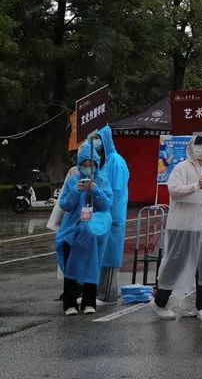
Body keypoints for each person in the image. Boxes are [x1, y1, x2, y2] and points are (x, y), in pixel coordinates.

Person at [154, 135, 202, 321]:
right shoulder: (181, 169)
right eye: (198, 145)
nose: (201, 150)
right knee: (175, 262)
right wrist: (195, 186)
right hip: (182, 226)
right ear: (191, 147)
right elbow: (174, 191)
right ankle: (160, 302)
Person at [55, 140, 114, 315]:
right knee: (70, 265)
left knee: (91, 264)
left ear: (96, 164)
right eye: (84, 164)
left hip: (92, 231)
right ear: (79, 164)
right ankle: (70, 303)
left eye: (91, 164)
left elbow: (107, 205)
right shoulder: (73, 181)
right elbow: (64, 205)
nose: (88, 167)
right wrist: (76, 190)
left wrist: (95, 191)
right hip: (71, 231)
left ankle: (89, 302)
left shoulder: (102, 181)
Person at [94, 125, 128, 304]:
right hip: (106, 215)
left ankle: (108, 294)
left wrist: (110, 212)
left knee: (111, 256)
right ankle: (102, 292)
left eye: (98, 138)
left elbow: (116, 190)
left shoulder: (115, 161)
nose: (95, 143)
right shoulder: (105, 161)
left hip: (114, 216)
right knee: (104, 255)